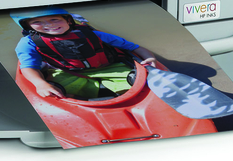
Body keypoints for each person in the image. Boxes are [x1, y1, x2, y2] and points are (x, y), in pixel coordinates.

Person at [12, 8, 158, 100]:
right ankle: (79, 100)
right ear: (28, 26)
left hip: (108, 67)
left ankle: (123, 96)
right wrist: (40, 83)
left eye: (54, 19)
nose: (49, 24)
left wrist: (149, 58)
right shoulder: (28, 43)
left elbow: (134, 47)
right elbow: (28, 67)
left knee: (138, 81)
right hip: (67, 72)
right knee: (55, 91)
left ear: (68, 20)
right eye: (37, 22)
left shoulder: (93, 34)